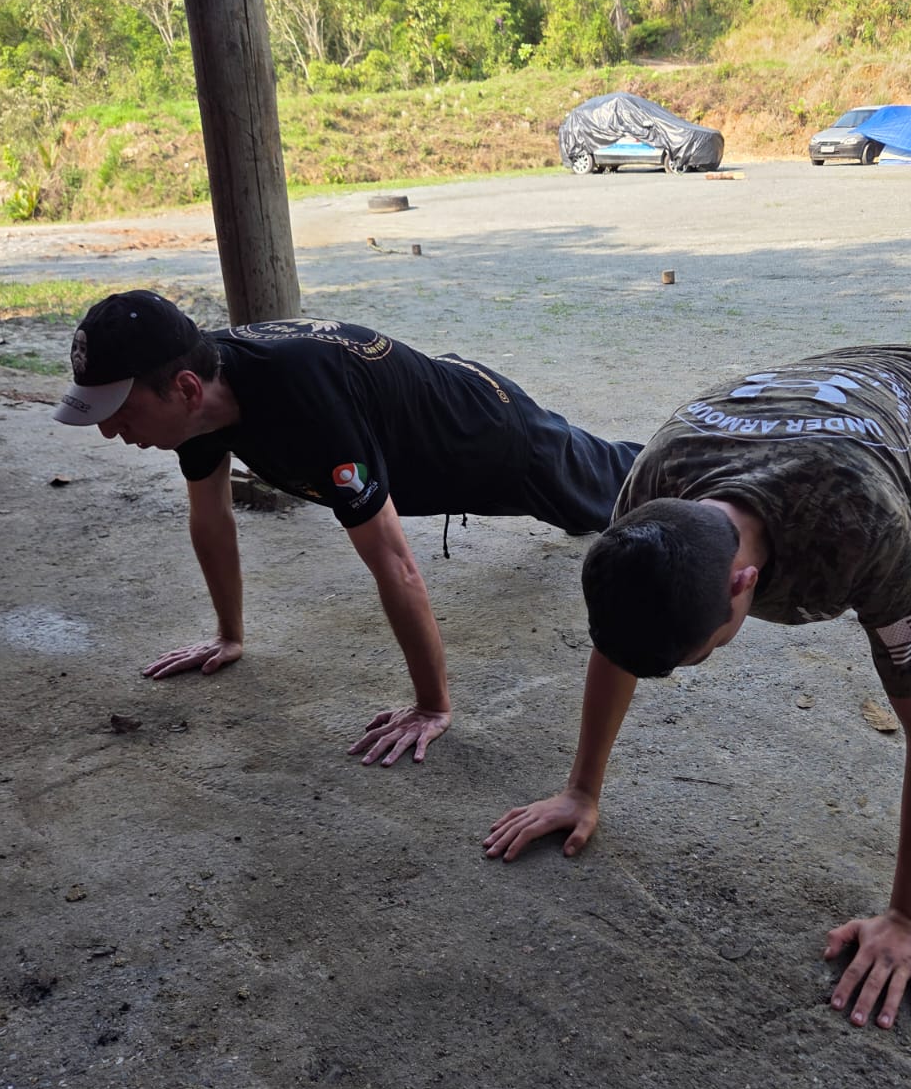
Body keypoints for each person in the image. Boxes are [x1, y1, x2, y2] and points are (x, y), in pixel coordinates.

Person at [485, 345, 911, 1030]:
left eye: (698, 656)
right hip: (820, 407)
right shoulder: (652, 491)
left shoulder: (866, 525)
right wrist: (580, 789)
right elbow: (624, 629)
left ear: (744, 584)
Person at [53, 290, 641, 763]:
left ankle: (713, 454)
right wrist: (229, 635)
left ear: (183, 389)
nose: (111, 432)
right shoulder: (198, 402)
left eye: (121, 413)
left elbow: (395, 564)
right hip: (425, 435)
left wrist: (432, 707)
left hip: (492, 438)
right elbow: (211, 515)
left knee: (626, 488)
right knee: (596, 500)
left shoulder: (304, 406)